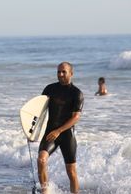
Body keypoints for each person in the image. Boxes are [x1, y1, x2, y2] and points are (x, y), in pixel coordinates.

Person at [37, 62, 84, 194]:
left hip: (66, 135)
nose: (60, 74)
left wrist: (59, 131)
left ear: (71, 73)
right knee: (41, 160)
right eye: (58, 72)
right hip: (50, 132)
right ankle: (45, 191)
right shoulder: (49, 89)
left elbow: (75, 118)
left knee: (71, 171)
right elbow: (39, 111)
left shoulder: (76, 93)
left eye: (64, 72)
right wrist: (32, 132)